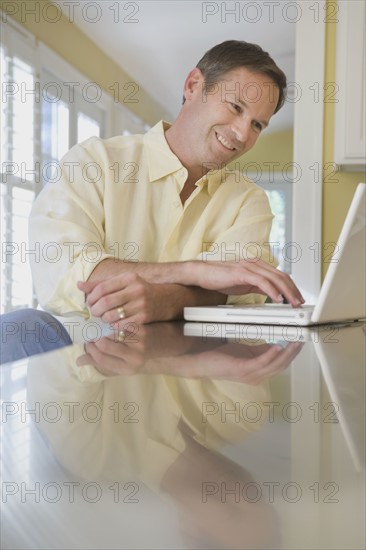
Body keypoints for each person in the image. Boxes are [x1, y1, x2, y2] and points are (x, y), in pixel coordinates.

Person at [0, 40, 304, 363]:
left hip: (197, 367)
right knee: (19, 328)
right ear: (193, 85)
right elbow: (67, 268)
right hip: (85, 365)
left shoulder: (249, 202)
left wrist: (167, 301)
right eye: (235, 107)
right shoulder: (95, 161)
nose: (243, 134)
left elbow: (241, 294)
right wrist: (197, 273)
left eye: (257, 124)